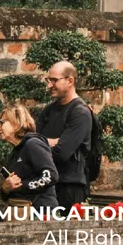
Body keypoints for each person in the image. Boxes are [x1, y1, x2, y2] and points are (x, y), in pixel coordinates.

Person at [37, 61, 95, 210]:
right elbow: (32, 144)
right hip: (46, 185)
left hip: (69, 187)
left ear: (70, 81)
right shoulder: (48, 110)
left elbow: (62, 153)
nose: (49, 85)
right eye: (48, 80)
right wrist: (50, 141)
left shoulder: (80, 113)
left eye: (54, 80)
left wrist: (42, 144)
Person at [0, 105, 58, 210]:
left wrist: (21, 186)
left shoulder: (33, 144)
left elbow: (51, 176)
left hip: (40, 212)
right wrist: (5, 189)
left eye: (2, 123)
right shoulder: (15, 152)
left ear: (16, 123)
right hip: (20, 212)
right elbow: (9, 193)